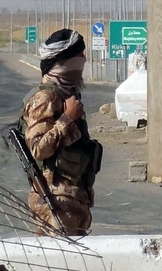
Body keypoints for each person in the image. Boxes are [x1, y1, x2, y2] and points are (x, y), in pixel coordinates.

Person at [19, 29, 101, 236]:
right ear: (63, 61)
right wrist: (67, 120)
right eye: (78, 56)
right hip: (55, 199)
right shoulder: (45, 97)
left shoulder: (68, 94)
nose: (83, 61)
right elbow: (38, 149)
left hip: (73, 199)